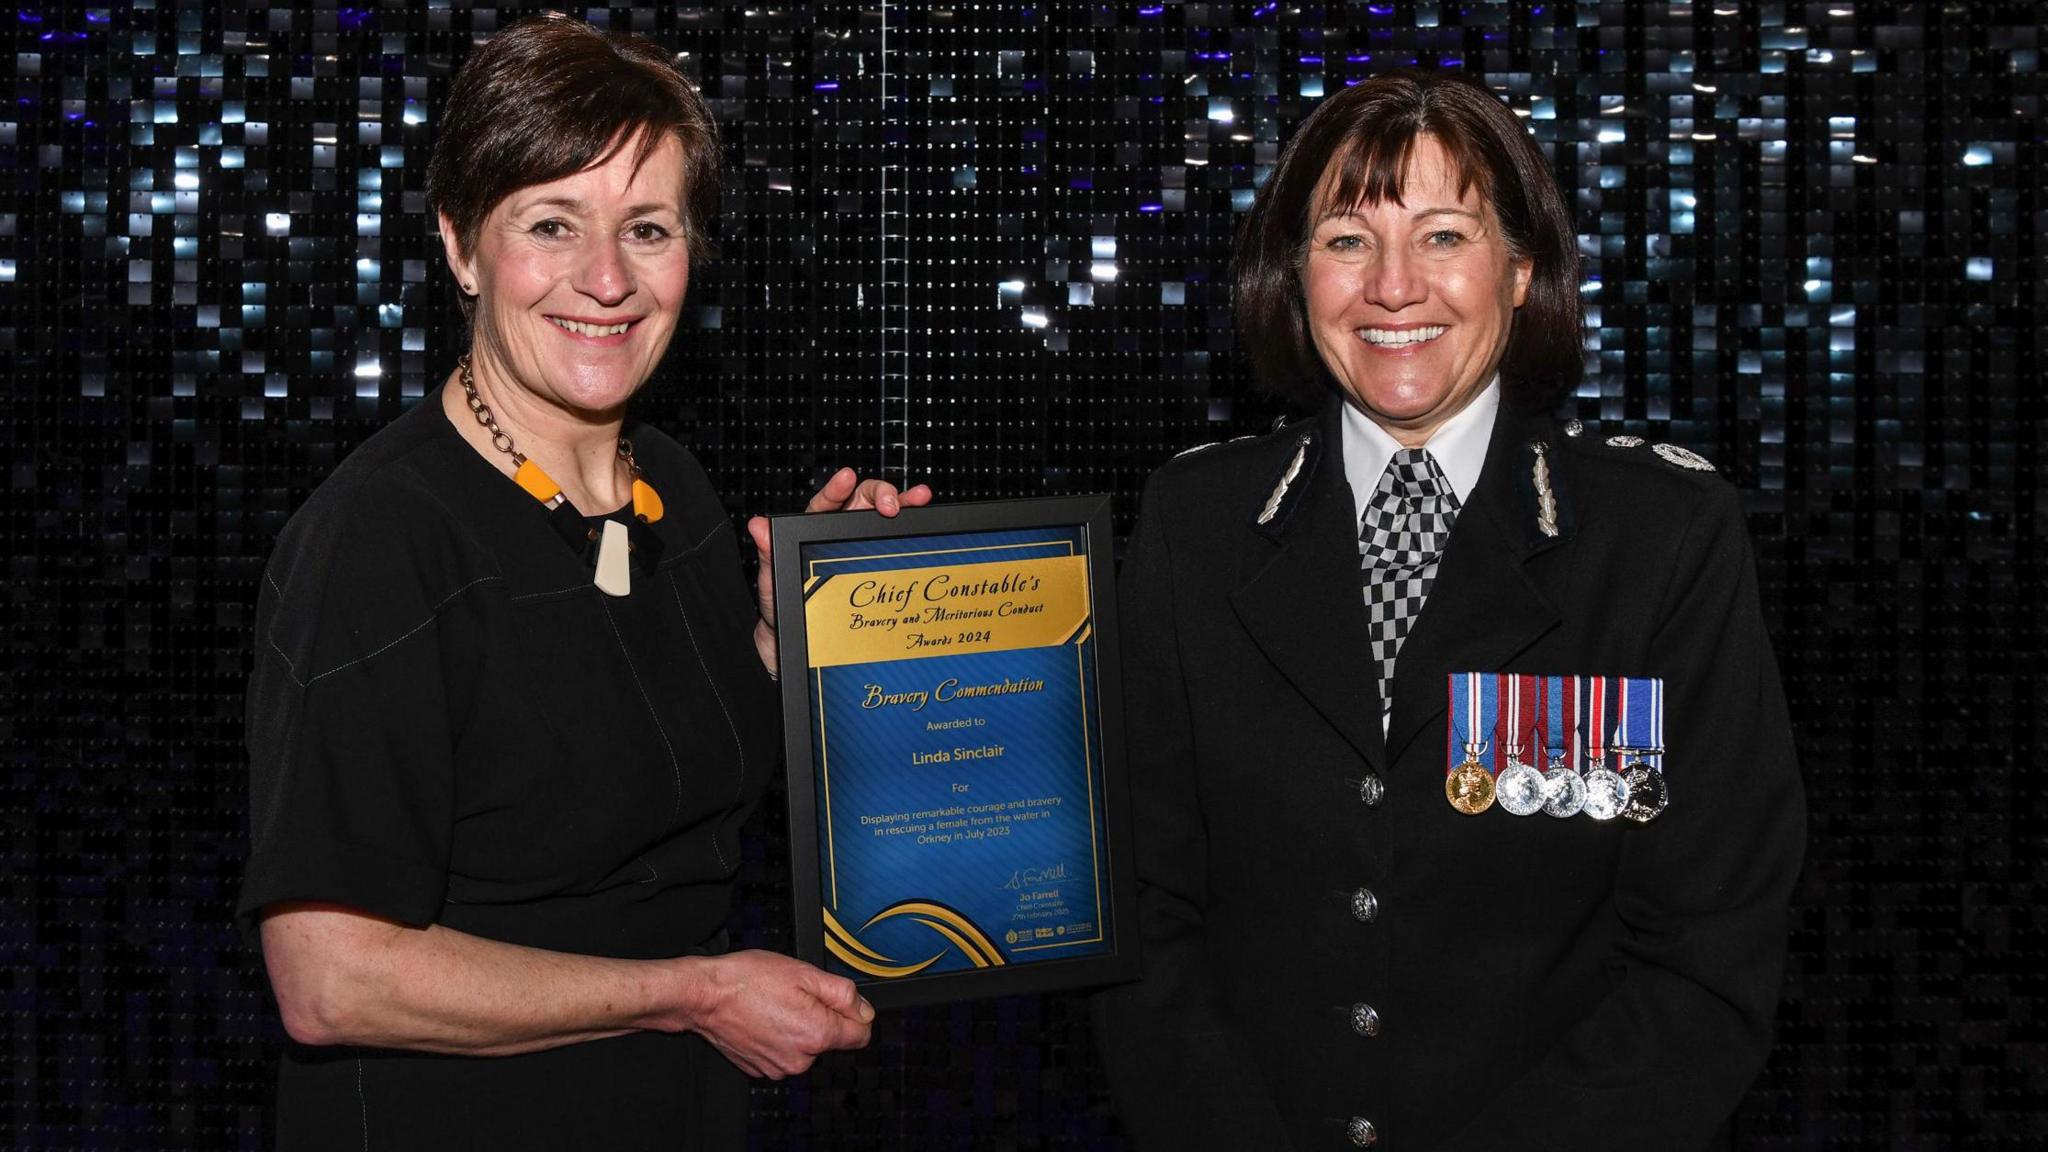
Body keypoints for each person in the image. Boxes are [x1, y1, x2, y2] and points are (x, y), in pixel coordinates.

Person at [235, 15, 928, 1148]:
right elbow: (330, 979)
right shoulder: (381, 543)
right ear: (462, 246)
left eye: (646, 229)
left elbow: (648, 773)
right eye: (551, 224)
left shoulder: (674, 487)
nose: (606, 280)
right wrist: (692, 992)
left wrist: (794, 631)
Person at [1093, 71, 1803, 1150]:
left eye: (1440, 236)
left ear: (1520, 271)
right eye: (1344, 240)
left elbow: (1707, 951)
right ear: (1294, 273)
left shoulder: (1658, 538)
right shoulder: (1194, 521)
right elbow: (1141, 914)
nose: (1390, 287)